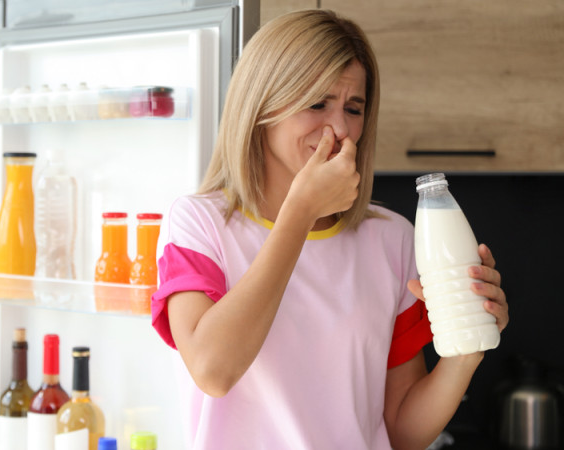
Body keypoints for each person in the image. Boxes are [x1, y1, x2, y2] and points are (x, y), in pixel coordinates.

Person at [150, 9, 509, 450]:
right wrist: (300, 213)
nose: (340, 129)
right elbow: (212, 370)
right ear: (262, 104)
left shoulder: (393, 240)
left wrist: (467, 347)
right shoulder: (198, 224)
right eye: (317, 103)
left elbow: (400, 430)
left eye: (353, 108)